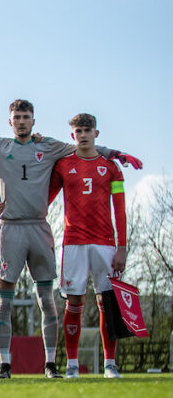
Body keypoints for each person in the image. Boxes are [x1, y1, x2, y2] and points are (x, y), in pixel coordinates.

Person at [0, 99, 139, 379]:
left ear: (34, 121)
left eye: (26, 117)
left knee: (48, 300)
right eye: (17, 117)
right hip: (11, 228)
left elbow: (85, 148)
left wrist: (117, 153)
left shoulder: (51, 147)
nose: (22, 121)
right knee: (5, 299)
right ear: (10, 121)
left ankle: (53, 364)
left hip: (41, 229)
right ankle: (5, 365)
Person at [50, 114, 127, 379]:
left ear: (96, 133)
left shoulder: (111, 168)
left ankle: (110, 364)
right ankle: (72, 365)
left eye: (87, 130)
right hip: (73, 244)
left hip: (105, 244)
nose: (82, 135)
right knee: (74, 302)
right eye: (78, 131)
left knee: (108, 303)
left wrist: (122, 246)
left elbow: (120, 211)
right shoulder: (62, 165)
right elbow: (45, 199)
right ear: (72, 136)